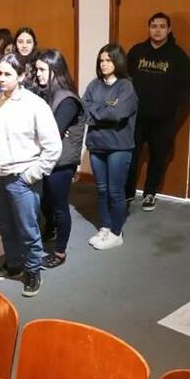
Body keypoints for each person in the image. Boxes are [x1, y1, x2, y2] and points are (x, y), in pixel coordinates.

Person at [0, 53, 61, 296]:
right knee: (5, 225)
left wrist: (32, 174)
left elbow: (53, 147)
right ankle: (14, 264)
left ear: (22, 76)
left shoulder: (35, 105)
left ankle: (32, 270)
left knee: (28, 228)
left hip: (22, 176)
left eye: (8, 74)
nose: (1, 79)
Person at [125, 12, 190, 211]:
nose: (157, 30)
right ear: (149, 28)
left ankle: (149, 194)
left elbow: (185, 87)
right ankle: (128, 192)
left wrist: (172, 111)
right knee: (131, 155)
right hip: (136, 118)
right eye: (154, 25)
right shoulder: (137, 52)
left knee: (158, 157)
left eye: (162, 26)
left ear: (169, 29)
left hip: (163, 120)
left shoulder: (178, 56)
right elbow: (125, 80)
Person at [83, 44, 138, 250]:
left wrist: (97, 111)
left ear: (118, 61)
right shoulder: (94, 85)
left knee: (115, 191)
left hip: (118, 146)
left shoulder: (125, 87)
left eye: (108, 60)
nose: (104, 64)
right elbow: (83, 109)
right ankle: (105, 227)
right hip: (97, 144)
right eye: (101, 60)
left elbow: (118, 114)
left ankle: (116, 232)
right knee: (101, 189)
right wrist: (106, 108)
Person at [34, 50, 84, 268]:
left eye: (42, 70)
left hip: (62, 161)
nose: (38, 74)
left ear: (55, 70)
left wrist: (41, 130)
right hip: (47, 157)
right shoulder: (45, 93)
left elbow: (52, 132)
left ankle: (60, 253)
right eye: (37, 69)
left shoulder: (67, 99)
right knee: (46, 202)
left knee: (59, 207)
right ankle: (50, 231)